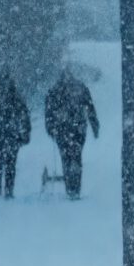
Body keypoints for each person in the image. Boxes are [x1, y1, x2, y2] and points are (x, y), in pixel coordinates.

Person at [43, 69, 99, 200]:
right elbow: (90, 107)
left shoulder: (55, 90)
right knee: (76, 157)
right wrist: (94, 124)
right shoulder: (80, 87)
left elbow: (48, 112)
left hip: (62, 130)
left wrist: (51, 128)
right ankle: (76, 189)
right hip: (78, 129)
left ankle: (70, 188)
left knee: (66, 158)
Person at [0, 75, 31, 199]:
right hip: (11, 136)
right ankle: (8, 190)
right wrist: (25, 134)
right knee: (10, 164)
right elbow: (25, 117)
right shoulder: (17, 99)